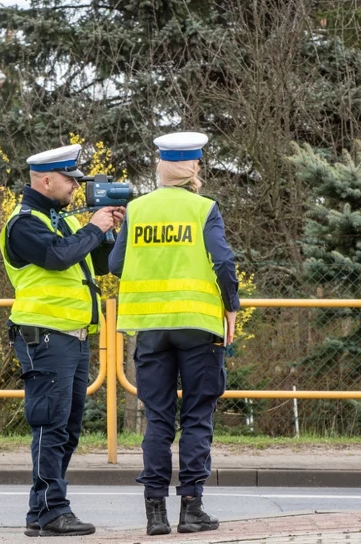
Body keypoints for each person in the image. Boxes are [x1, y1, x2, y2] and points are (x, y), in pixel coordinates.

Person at [108, 132, 240, 536]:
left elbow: (115, 265)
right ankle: (191, 508)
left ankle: (155, 515)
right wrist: (231, 307)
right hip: (198, 328)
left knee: (159, 419)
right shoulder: (204, 209)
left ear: (162, 168)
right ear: (193, 168)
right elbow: (223, 261)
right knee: (198, 415)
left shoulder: (137, 209)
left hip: (150, 330)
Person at [0, 143, 125, 537]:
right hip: (45, 338)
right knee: (50, 427)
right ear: (47, 179)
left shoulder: (64, 221)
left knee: (67, 429)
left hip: (72, 337)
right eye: (71, 179)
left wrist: (112, 229)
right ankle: (53, 510)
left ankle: (41, 513)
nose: (76, 187)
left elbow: (104, 265)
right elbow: (56, 257)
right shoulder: (24, 224)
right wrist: (94, 227)